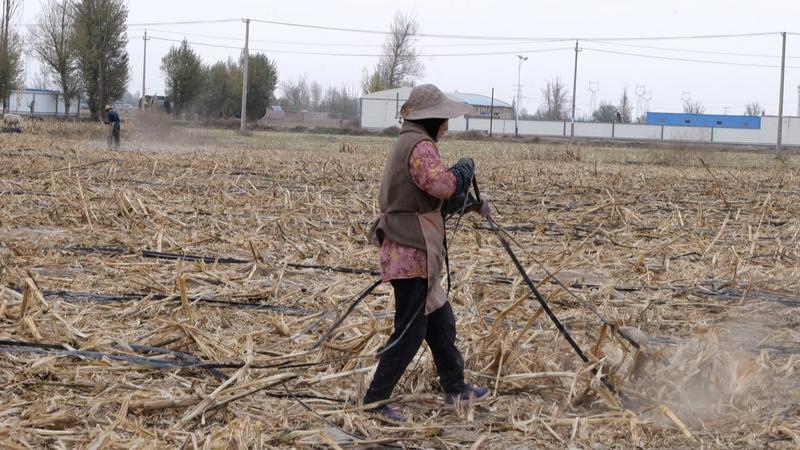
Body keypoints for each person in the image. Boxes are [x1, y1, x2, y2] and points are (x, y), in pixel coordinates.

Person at [365, 84, 491, 421]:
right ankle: (374, 400)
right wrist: (463, 171)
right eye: (445, 120)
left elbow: (430, 200)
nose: (447, 127)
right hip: (410, 253)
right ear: (432, 119)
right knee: (411, 331)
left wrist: (472, 205)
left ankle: (455, 388)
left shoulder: (412, 142)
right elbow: (443, 186)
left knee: (440, 320)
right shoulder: (420, 146)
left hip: (414, 249)